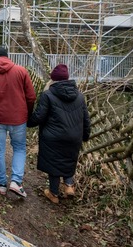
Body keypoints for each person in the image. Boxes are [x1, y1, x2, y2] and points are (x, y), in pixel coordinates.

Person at [0, 47, 36, 198]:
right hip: (19, 118)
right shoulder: (21, 71)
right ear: (7, 57)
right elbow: (31, 96)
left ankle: (2, 184)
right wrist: (26, 113)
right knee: (20, 148)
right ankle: (16, 181)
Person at [27, 64, 91, 204]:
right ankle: (69, 186)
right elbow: (86, 118)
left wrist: (28, 122)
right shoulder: (79, 96)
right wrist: (85, 135)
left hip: (53, 137)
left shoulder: (48, 95)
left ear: (53, 80)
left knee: (54, 164)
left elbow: (39, 116)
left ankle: (53, 193)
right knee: (69, 159)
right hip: (74, 136)